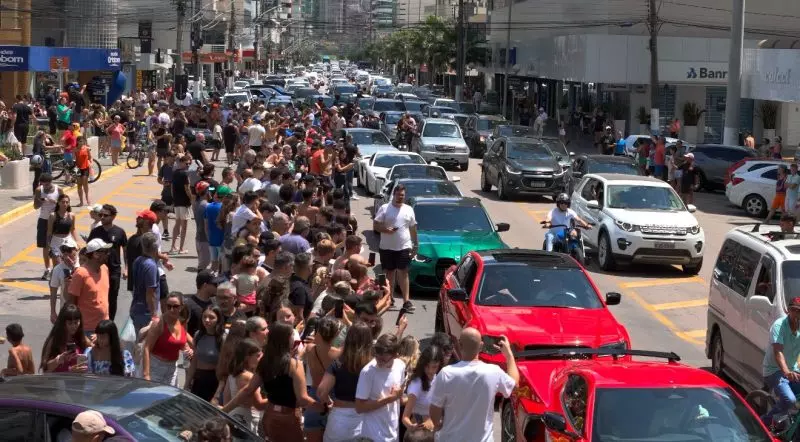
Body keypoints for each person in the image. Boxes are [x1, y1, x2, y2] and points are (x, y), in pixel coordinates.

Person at [224, 322, 315, 441]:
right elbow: (302, 399)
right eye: (292, 335)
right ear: (286, 339)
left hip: (269, 416)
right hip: (289, 416)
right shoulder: (294, 364)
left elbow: (248, 390)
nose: (294, 338)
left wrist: (224, 410)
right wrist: (324, 408)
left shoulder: (265, 362)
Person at [429, 328, 519, 440]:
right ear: (481, 346)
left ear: (459, 345)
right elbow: (514, 386)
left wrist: (439, 425)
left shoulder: (446, 373)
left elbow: (434, 410)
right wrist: (509, 356)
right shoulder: (493, 372)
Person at [317, 322, 374, 442]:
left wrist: (329, 402)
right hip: (365, 420)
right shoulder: (373, 367)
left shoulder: (338, 364)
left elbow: (321, 391)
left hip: (339, 420)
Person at [373, 184, 418, 312]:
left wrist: (416, 244)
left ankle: (406, 301)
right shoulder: (385, 208)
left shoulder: (409, 209)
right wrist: (386, 230)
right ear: (394, 195)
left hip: (404, 246)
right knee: (390, 273)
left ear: (405, 196)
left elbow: (413, 228)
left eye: (402, 195)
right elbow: (376, 225)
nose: (400, 197)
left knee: (403, 272)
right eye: (398, 195)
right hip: (387, 247)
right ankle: (389, 298)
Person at [355, 333, 406, 442]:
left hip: (393, 433)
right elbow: (359, 407)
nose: (378, 361)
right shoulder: (368, 372)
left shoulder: (400, 366)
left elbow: (399, 398)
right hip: (372, 435)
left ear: (395, 355)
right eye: (376, 356)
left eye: (383, 359)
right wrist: (389, 399)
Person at [762, 297, 800, 426]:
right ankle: (762, 424)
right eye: (794, 310)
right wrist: (787, 372)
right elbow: (778, 351)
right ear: (788, 310)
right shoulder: (779, 325)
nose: (797, 314)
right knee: (789, 399)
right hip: (774, 371)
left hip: (792, 370)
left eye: (799, 311)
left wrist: (792, 371)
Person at [304, 316, 342, 442]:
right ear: (336, 334)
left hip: (314, 398)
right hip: (332, 398)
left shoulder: (309, 349)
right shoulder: (338, 354)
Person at [88, 204, 127, 321]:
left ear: (113, 216)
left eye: (105, 215)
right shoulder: (95, 232)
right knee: (97, 296)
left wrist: (126, 268)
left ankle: (110, 322)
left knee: (112, 298)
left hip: (114, 270)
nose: (102, 217)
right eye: (100, 215)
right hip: (97, 270)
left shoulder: (120, 232)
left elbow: (125, 251)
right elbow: (88, 250)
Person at [68, 238, 112, 336]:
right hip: (87, 330)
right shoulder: (81, 273)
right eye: (105, 251)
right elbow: (72, 302)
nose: (108, 254)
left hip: (104, 326)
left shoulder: (105, 269)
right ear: (96, 255)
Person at [142, 293, 188, 386]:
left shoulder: (182, 322)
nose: (171, 309)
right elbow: (146, 348)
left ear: (181, 307)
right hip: (156, 368)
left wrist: (188, 349)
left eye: (175, 306)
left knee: (169, 398)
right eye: (168, 306)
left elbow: (182, 343)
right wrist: (146, 375)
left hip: (172, 369)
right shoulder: (159, 323)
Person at [224, 338, 266, 432]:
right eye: (258, 355)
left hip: (232, 416)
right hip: (246, 421)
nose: (261, 358)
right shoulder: (249, 377)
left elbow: (226, 399)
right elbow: (259, 404)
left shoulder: (232, 374)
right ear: (247, 357)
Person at [186, 306, 224, 401]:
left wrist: (217, 394)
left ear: (218, 319)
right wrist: (186, 385)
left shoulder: (223, 338)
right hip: (199, 380)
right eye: (204, 317)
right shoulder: (198, 335)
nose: (207, 320)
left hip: (215, 381)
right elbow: (194, 363)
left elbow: (225, 368)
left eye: (211, 317)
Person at [402, 345, 442, 434]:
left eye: (434, 367)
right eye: (427, 366)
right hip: (420, 434)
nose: (430, 371)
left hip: (435, 431)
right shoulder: (416, 384)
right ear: (423, 363)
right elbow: (405, 417)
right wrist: (412, 427)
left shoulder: (438, 378)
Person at [41, 304, 91, 373]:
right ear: (63, 323)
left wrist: (98, 339)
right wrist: (58, 360)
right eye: (70, 323)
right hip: (59, 382)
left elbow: (96, 350)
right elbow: (45, 368)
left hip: (78, 382)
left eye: (76, 322)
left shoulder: (82, 339)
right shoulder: (54, 340)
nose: (73, 326)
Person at [130, 232, 161, 333]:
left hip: (137, 308)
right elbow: (150, 293)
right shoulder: (150, 266)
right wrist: (154, 315)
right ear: (155, 246)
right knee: (145, 344)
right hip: (146, 313)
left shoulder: (138, 260)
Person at [35, 173, 62, 280]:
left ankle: (59, 269)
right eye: (43, 185)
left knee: (57, 245)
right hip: (43, 220)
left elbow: (65, 205)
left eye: (47, 185)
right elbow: (35, 206)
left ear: (51, 182)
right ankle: (48, 269)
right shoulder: (38, 190)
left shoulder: (58, 190)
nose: (45, 187)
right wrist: (41, 201)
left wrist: (54, 202)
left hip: (56, 220)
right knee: (45, 246)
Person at [49, 237, 80, 323]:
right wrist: (53, 312)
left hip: (84, 310)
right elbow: (53, 293)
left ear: (76, 251)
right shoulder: (58, 269)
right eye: (65, 253)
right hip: (67, 311)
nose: (67, 257)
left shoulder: (83, 264)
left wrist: (73, 267)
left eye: (70, 252)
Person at [170, 153, 194, 254]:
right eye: (186, 163)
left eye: (189, 164)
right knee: (184, 225)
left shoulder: (175, 173)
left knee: (177, 223)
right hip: (184, 202)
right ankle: (181, 248)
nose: (188, 165)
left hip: (177, 201)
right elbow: (187, 188)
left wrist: (174, 198)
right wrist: (191, 198)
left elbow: (171, 187)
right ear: (181, 163)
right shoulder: (185, 174)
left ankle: (173, 247)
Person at [48, 193, 79, 266]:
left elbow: (73, 229)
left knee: (72, 264)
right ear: (58, 203)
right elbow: (49, 232)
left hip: (68, 241)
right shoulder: (53, 215)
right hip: (56, 242)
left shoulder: (72, 215)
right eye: (63, 202)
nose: (65, 204)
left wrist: (77, 242)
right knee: (58, 266)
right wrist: (49, 246)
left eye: (67, 202)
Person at [193, 181, 211, 271]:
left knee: (202, 265)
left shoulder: (196, 203)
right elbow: (206, 226)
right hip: (205, 239)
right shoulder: (206, 206)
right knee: (203, 266)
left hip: (199, 238)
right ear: (207, 191)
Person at [75, 135, 93, 205]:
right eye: (80, 141)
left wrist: (91, 163)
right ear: (77, 142)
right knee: (79, 185)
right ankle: (81, 201)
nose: (81, 142)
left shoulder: (87, 149)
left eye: (82, 141)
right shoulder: (75, 149)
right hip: (77, 168)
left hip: (85, 167)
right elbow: (73, 160)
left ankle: (87, 197)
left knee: (85, 184)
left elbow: (90, 157)